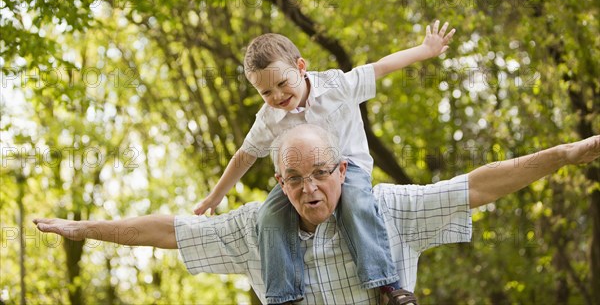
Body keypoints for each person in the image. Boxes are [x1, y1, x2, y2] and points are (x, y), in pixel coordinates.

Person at [35, 124, 600, 304]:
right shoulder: (258, 228)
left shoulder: (385, 209)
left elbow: (475, 187)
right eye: (295, 180)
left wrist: (567, 154)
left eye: (320, 175)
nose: (310, 189)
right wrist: (83, 229)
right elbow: (171, 230)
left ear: (344, 172)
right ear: (280, 184)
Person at [192, 21, 455, 304]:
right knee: (268, 216)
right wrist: (215, 196)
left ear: (301, 67)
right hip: (298, 179)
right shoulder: (268, 119)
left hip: (346, 168)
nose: (277, 96)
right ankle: (284, 296)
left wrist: (424, 50)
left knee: (355, 203)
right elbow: (244, 156)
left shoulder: (336, 86)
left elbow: (380, 67)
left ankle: (387, 286)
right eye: (266, 93)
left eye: (282, 83)